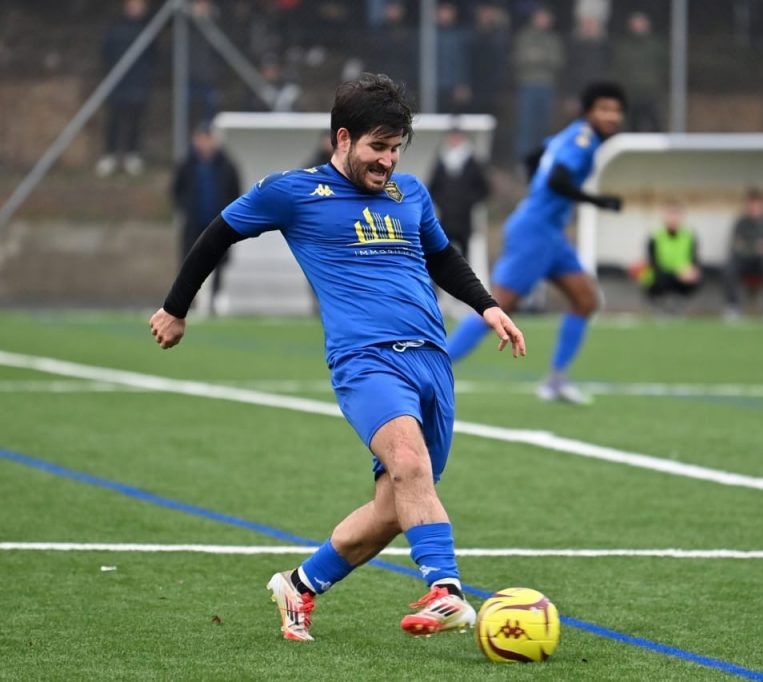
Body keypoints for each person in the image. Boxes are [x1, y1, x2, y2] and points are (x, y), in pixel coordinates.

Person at [149, 74, 525, 641]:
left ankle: (299, 585)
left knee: (396, 507)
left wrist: (487, 307)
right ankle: (446, 590)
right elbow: (218, 233)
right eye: (378, 147)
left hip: (432, 360)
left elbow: (442, 257)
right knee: (409, 463)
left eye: (396, 149)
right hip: (366, 361)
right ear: (343, 138)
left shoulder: (410, 194)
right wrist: (176, 309)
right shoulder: (293, 192)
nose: (388, 161)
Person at [446, 82, 626, 404]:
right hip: (534, 231)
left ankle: (555, 381)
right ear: (589, 111)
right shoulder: (583, 140)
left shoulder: (570, 134)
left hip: (550, 234)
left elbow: (533, 158)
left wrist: (539, 195)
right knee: (498, 307)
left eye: (616, 110)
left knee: (585, 299)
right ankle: (433, 365)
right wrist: (597, 201)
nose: (611, 116)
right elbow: (557, 178)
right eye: (604, 109)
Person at [170, 124, 241, 314]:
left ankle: (217, 296)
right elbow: (177, 190)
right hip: (194, 224)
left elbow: (235, 191)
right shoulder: (186, 164)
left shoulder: (227, 165)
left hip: (219, 223)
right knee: (192, 260)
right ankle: (193, 300)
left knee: (218, 260)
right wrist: (185, 209)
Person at [96, 0, 155, 177]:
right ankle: (110, 155)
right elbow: (107, 52)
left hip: (138, 81)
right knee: (114, 118)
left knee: (135, 119)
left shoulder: (148, 29)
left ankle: (132, 155)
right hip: (118, 81)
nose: (136, 8)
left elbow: (153, 55)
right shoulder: (116, 28)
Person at [722, 189, 763, 323]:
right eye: (751, 205)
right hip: (746, 262)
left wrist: (753, 247)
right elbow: (735, 246)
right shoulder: (741, 223)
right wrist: (757, 247)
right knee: (729, 266)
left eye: (757, 205)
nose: (754, 209)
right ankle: (732, 306)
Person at [427, 128, 490, 257]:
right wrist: (442, 202)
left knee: (464, 255)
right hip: (446, 218)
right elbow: (433, 187)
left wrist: (468, 201)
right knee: (444, 254)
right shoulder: (441, 161)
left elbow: (483, 188)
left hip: (464, 219)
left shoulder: (472, 162)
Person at [513, 6, 565, 159]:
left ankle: (542, 157)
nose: (543, 21)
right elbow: (519, 59)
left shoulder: (553, 39)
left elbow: (558, 61)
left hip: (547, 85)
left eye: (545, 18)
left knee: (544, 124)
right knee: (526, 124)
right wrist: (541, 57)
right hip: (528, 85)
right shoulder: (524, 36)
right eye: (540, 18)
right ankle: (524, 159)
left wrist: (536, 56)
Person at [611, 11, 666, 132]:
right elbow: (619, 69)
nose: (638, 26)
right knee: (632, 126)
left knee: (656, 124)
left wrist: (657, 84)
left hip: (651, 93)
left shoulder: (655, 45)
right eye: (635, 24)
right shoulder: (624, 46)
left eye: (640, 23)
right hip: (631, 94)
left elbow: (663, 67)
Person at [642, 203, 701, 307]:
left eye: (676, 214)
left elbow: (694, 258)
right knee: (652, 277)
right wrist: (675, 273)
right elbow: (652, 261)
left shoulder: (689, 235)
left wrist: (690, 270)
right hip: (661, 274)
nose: (673, 218)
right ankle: (659, 304)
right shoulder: (655, 235)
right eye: (670, 214)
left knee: (694, 276)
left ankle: (679, 303)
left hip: (682, 274)